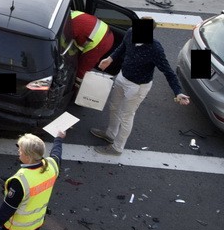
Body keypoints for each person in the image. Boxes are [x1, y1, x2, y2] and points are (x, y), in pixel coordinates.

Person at [92, 19, 190, 156]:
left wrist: (178, 92)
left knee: (127, 116)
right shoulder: (130, 33)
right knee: (114, 106)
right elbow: (123, 47)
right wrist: (110, 58)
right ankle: (110, 134)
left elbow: (168, 72)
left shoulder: (155, 48)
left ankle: (117, 148)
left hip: (137, 87)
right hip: (122, 77)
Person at [69, 10, 114, 86]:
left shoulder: (67, 27)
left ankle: (78, 91)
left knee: (81, 71)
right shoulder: (72, 13)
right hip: (104, 32)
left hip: (100, 42)